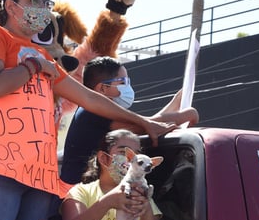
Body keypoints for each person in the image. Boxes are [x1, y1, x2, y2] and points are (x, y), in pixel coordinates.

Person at [0, 0, 175, 220]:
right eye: (34, 0)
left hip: (38, 172)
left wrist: (143, 122)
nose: (42, 8)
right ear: (11, 6)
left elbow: (88, 98)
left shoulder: (43, 55)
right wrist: (32, 67)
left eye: (46, 2)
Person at [60, 56, 199, 185]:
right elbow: (144, 126)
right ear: (102, 88)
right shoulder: (92, 112)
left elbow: (149, 124)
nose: (128, 87)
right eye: (123, 82)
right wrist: (184, 115)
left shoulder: (93, 112)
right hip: (80, 195)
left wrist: (177, 101)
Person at [59, 129, 161, 220]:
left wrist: (146, 208)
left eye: (138, 155)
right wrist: (107, 202)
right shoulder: (81, 192)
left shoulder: (144, 198)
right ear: (104, 158)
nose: (132, 160)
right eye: (124, 152)